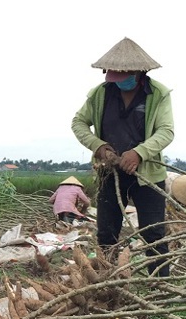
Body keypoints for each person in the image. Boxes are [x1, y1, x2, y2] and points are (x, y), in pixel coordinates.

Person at [71, 37, 175, 276]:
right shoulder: (101, 94)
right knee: (106, 232)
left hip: (146, 173)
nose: (118, 77)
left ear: (139, 72)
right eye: (114, 73)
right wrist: (99, 147)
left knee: (154, 232)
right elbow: (78, 122)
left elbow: (166, 131)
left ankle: (160, 285)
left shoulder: (158, 94)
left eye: (124, 73)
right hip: (109, 172)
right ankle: (107, 279)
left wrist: (139, 153)